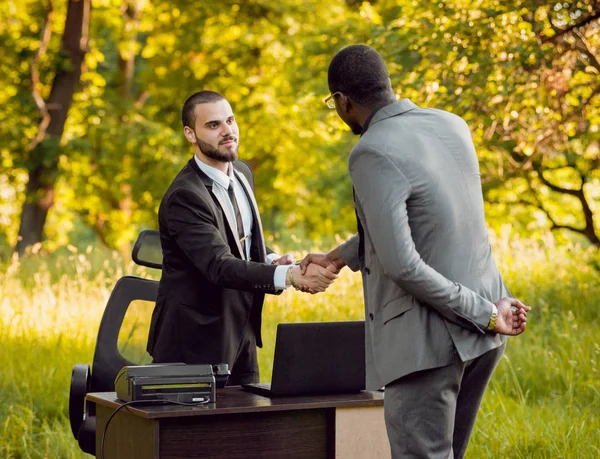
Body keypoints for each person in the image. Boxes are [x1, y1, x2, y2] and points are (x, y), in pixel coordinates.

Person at [300, 45, 531, 458]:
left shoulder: (369, 151)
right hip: (485, 336)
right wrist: (336, 258)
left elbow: (403, 264)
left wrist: (486, 314)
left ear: (342, 101)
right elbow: (426, 224)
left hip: (428, 346)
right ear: (386, 83)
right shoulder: (451, 124)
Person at [147, 90, 336, 386]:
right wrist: (290, 276)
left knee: (249, 429)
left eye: (230, 120)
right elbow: (220, 265)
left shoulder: (243, 173)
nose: (227, 131)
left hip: (243, 335)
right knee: (201, 434)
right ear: (190, 134)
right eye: (213, 125)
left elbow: (241, 242)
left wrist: (274, 259)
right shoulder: (185, 197)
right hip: (193, 344)